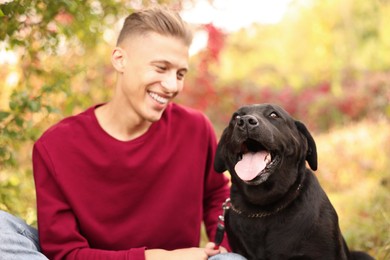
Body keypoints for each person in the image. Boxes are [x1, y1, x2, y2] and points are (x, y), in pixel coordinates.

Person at [0, 6, 248, 260]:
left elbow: (217, 194)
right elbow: (65, 253)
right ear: (120, 59)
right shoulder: (55, 146)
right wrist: (160, 257)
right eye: (161, 68)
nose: (172, 85)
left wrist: (224, 246)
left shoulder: (195, 129)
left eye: (180, 73)